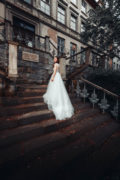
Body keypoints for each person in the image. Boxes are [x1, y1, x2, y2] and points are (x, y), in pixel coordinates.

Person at [43, 56, 74, 120]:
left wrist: (53, 78)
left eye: (55, 58)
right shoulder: (58, 64)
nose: (54, 59)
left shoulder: (56, 64)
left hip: (55, 76)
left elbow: (54, 72)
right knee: (57, 89)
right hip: (58, 76)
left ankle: (56, 101)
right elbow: (58, 72)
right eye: (54, 58)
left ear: (57, 60)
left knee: (55, 89)